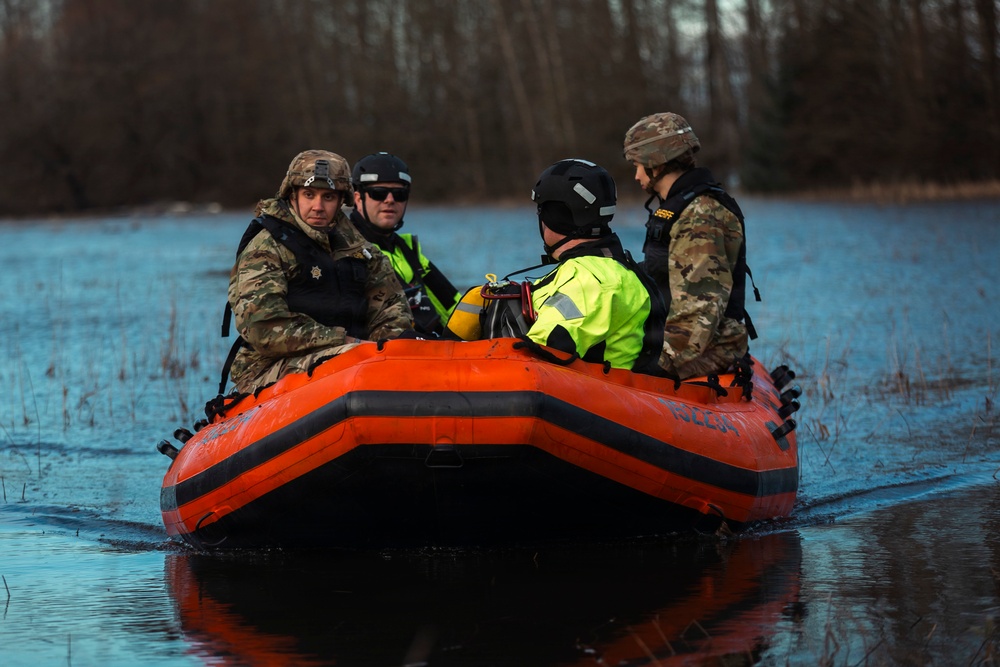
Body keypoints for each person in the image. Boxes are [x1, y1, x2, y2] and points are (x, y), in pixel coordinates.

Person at [224, 149, 413, 394]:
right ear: (292, 196)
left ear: (341, 201)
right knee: (348, 362)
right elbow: (263, 327)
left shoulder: (361, 250)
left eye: (328, 197)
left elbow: (392, 309)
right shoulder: (266, 249)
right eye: (309, 194)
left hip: (357, 360)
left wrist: (385, 349)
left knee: (397, 359)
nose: (318, 206)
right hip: (269, 368)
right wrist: (345, 342)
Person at [493, 158, 665, 375]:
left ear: (555, 217)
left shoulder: (591, 280)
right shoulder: (608, 267)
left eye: (542, 212)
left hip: (594, 396)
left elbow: (540, 351)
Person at [622, 112, 758, 380]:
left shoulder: (701, 215)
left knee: (626, 375)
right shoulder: (678, 208)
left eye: (638, 165)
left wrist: (658, 364)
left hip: (706, 349)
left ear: (656, 162)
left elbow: (700, 308)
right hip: (670, 339)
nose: (636, 175)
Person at [349, 152, 461, 336]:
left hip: (426, 349)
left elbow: (454, 305)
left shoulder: (408, 249)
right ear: (358, 198)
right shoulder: (343, 250)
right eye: (379, 193)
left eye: (399, 194)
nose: (390, 200)